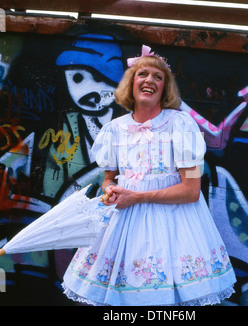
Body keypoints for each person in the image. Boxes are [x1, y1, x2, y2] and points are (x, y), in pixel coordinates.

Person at [62, 45, 236, 306]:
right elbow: (109, 178)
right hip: (123, 228)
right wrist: (110, 190)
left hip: (175, 229)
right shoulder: (114, 131)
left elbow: (191, 191)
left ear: (165, 88)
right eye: (143, 74)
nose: (150, 80)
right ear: (131, 83)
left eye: (159, 77)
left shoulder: (181, 125)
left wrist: (137, 196)